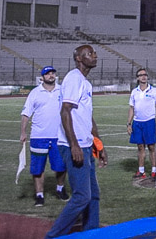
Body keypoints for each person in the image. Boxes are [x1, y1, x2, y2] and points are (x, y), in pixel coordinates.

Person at [45, 45, 107, 238]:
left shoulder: (85, 83)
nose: (95, 56)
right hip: (75, 145)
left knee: (93, 195)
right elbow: (65, 111)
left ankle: (91, 233)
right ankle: (53, 235)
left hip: (86, 145)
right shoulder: (73, 78)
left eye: (94, 53)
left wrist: (99, 144)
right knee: (82, 196)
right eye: (90, 53)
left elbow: (88, 117)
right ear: (79, 58)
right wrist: (74, 145)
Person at [20, 66, 68, 206]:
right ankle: (39, 195)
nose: (51, 75)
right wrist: (23, 132)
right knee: (37, 168)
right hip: (38, 137)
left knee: (61, 166)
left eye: (53, 73)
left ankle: (60, 188)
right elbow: (26, 113)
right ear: (42, 77)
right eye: (48, 74)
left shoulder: (62, 91)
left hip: (59, 136)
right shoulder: (35, 93)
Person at [126, 67, 156, 179]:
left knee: (151, 146)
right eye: (141, 75)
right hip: (137, 123)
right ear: (137, 78)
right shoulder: (134, 92)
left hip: (149, 122)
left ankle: (154, 170)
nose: (144, 76)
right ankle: (141, 171)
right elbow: (131, 108)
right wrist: (129, 123)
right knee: (140, 147)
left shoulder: (154, 91)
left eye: (145, 75)